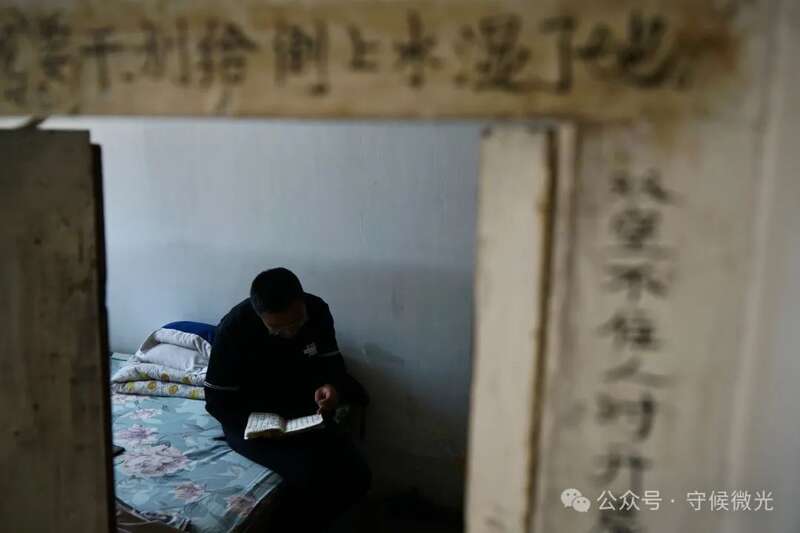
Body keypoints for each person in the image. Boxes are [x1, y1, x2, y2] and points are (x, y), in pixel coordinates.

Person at [204, 267, 371, 532]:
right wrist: (257, 426)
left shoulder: (317, 310)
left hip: (303, 413)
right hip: (250, 424)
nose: (290, 333)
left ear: (302, 302)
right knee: (309, 475)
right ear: (259, 315)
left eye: (296, 323)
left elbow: (332, 364)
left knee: (358, 475)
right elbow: (216, 401)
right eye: (277, 329)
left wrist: (332, 387)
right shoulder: (233, 329)